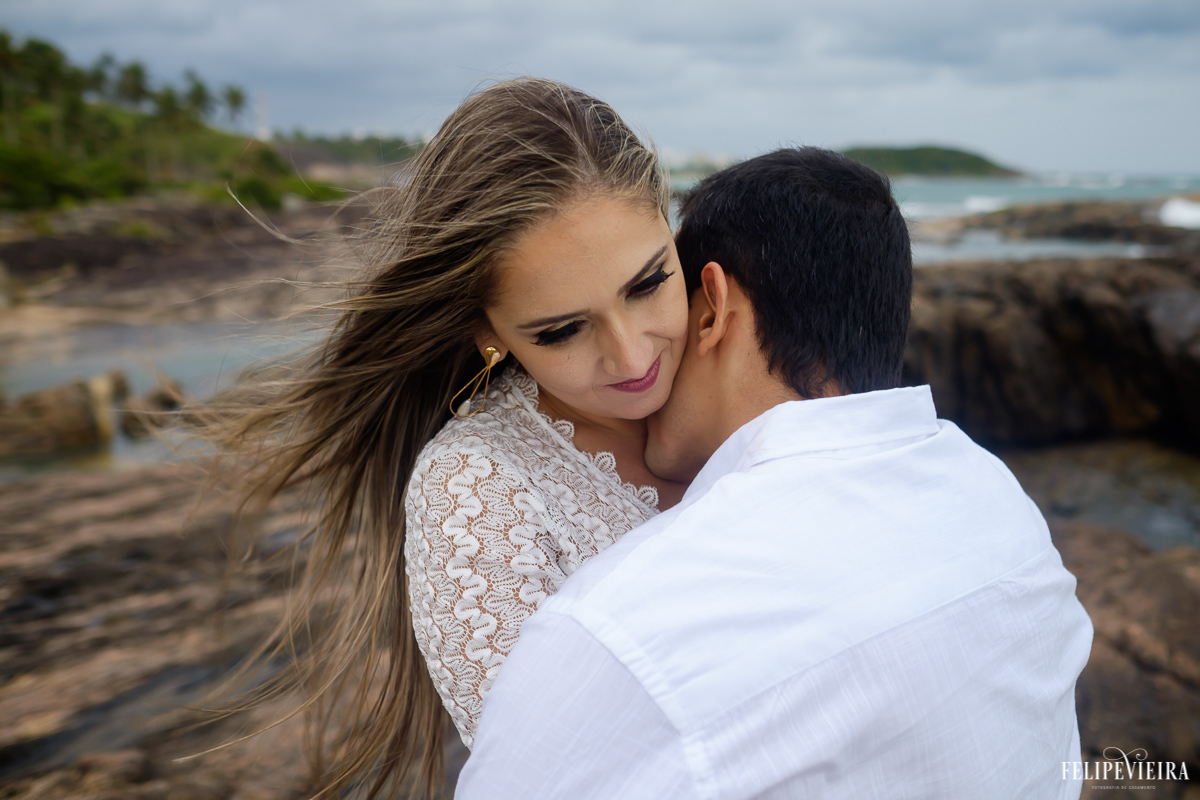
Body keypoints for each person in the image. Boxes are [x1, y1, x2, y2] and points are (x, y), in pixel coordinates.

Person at [455, 147, 1095, 799]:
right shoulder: (1005, 512)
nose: (637, 361)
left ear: (711, 309)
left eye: (655, 292)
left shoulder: (621, 633)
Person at [205, 77, 688, 799]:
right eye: (561, 330)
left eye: (649, 283)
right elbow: (539, 779)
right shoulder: (475, 491)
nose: (632, 355)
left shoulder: (747, 351)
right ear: (488, 334)